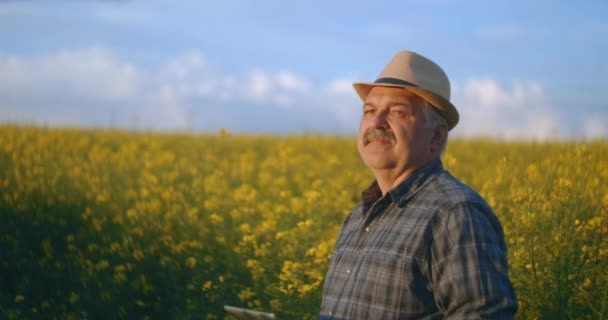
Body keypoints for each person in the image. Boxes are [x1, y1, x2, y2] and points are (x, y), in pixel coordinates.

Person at [318, 51, 518, 319]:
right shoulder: (356, 218)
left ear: (436, 137)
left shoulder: (455, 214)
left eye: (398, 112)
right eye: (370, 110)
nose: (376, 123)